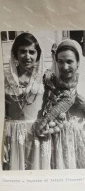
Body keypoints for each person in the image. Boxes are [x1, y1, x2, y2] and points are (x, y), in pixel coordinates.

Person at [35, 39, 85, 169]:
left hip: (83, 135)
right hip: (58, 137)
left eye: (69, 61)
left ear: (78, 63)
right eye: (60, 61)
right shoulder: (50, 83)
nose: (64, 67)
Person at [3, 32, 51, 170]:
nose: (27, 56)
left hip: (37, 134)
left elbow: (52, 104)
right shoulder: (5, 78)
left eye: (32, 52)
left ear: (38, 55)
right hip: (12, 135)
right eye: (23, 51)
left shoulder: (45, 78)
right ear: (15, 53)